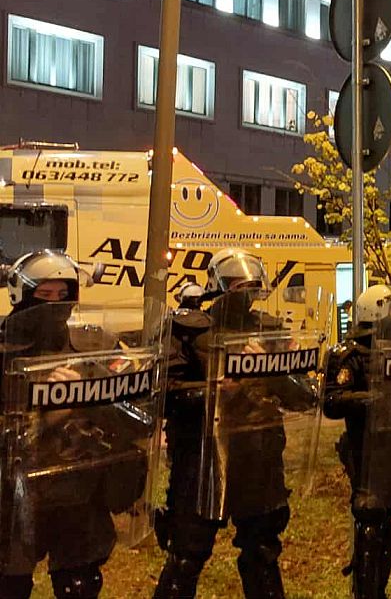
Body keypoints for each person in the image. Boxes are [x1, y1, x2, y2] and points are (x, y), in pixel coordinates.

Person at [154, 249, 318, 598]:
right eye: (237, 285)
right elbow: (166, 394)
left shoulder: (270, 332)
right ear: (218, 287)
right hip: (203, 461)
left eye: (252, 285)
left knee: (262, 553)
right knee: (187, 554)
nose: (245, 292)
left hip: (258, 458)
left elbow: (303, 395)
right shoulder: (189, 331)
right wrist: (217, 389)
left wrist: (274, 373)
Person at [0, 250, 150, 598]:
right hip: (15, 499)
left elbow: (139, 413)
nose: (54, 305)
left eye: (63, 295)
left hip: (79, 494)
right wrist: (42, 415)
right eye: (44, 295)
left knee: (79, 585)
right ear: (21, 295)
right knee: (10, 584)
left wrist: (87, 401)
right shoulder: (4, 352)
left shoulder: (93, 346)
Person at [324, 284, 391, 599]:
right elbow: (331, 401)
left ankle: (380, 590)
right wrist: (372, 399)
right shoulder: (352, 355)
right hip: (366, 448)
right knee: (372, 520)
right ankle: (366, 593)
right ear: (376, 313)